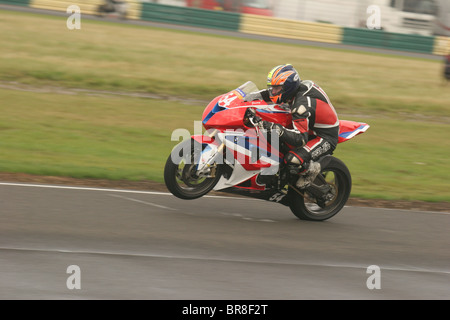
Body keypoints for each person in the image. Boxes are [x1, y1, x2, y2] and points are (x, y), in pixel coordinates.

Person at [251, 64, 340, 189]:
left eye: (277, 88)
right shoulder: (294, 90)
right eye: (272, 88)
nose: (273, 91)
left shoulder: (301, 106)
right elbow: (266, 94)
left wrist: (276, 129)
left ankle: (310, 172)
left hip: (323, 136)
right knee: (272, 139)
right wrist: (244, 99)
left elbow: (300, 139)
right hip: (310, 126)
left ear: (288, 88)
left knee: (292, 159)